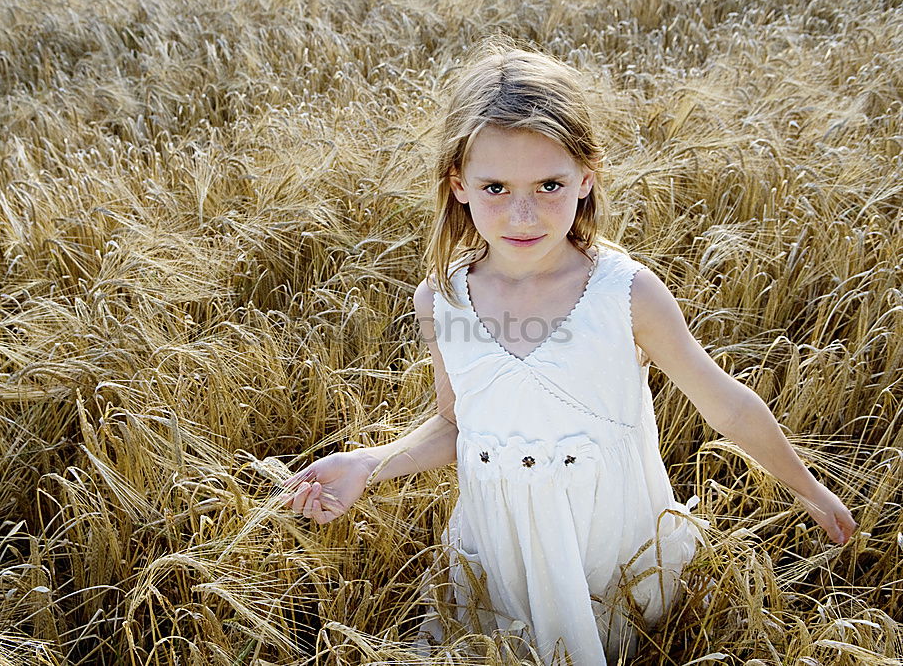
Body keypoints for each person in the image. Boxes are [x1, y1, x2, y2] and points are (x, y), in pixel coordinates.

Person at [277, 34, 857, 666]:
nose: (522, 213)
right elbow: (462, 423)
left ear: (586, 177)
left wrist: (809, 489)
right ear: (458, 184)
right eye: (495, 186)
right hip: (504, 545)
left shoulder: (624, 295)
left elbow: (728, 408)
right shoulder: (443, 298)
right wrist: (372, 462)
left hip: (604, 538)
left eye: (548, 184)